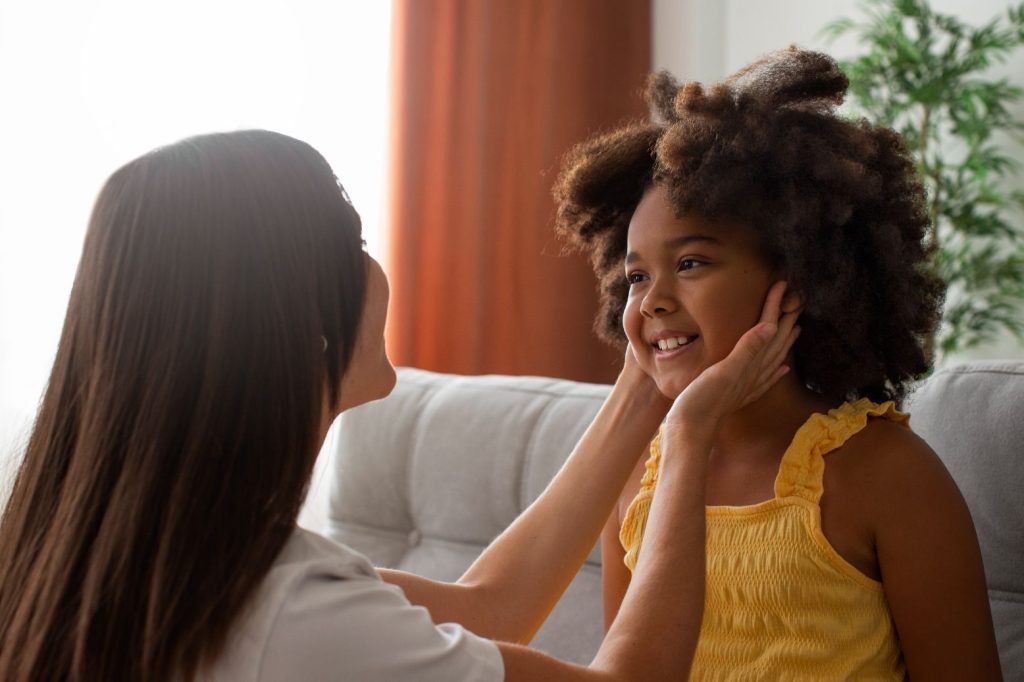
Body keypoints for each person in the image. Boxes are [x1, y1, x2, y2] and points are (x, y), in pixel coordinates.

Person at [0, 129, 799, 681]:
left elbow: (493, 609)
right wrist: (689, 433)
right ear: (295, 324)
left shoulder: (134, 556)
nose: (373, 265)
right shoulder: (290, 611)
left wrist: (646, 388)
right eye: (351, 245)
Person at [552, 47, 1003, 680]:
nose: (652, 300)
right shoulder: (635, 481)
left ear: (796, 280)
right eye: (634, 276)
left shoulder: (887, 475)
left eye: (691, 264)